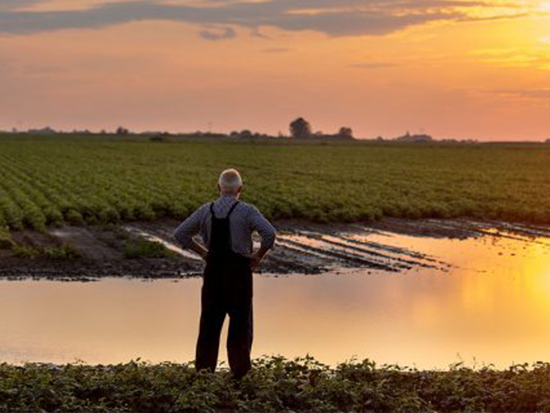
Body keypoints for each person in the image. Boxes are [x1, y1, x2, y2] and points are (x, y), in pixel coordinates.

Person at [173, 169, 277, 379]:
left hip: (213, 273)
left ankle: (204, 374)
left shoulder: (206, 210)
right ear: (240, 189)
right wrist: (258, 256)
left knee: (209, 324)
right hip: (239, 273)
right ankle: (240, 375)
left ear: (218, 187)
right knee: (240, 324)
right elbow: (269, 233)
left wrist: (203, 253)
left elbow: (180, 233)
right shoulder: (247, 211)